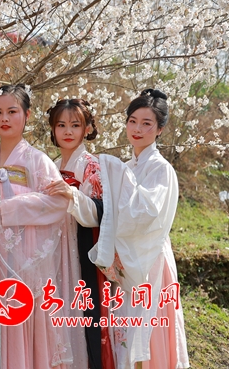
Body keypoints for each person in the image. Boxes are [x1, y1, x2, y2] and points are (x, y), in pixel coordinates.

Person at [0, 85, 88, 368]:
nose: (4, 118)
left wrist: (9, 207)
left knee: (23, 314)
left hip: (27, 259)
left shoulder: (38, 160)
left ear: (27, 115)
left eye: (12, 111)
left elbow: (57, 203)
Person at [89, 89, 190, 368]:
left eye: (146, 123)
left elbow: (147, 213)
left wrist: (117, 180)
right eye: (132, 121)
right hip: (127, 257)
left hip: (149, 257)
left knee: (146, 329)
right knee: (125, 328)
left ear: (160, 129)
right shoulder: (127, 166)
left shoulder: (160, 168)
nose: (137, 129)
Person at [44, 98, 115, 369]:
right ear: (53, 129)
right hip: (54, 248)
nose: (68, 131)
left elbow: (101, 212)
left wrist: (72, 194)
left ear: (87, 129)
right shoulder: (49, 165)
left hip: (82, 248)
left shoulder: (92, 166)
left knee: (84, 314)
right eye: (61, 125)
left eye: (75, 125)